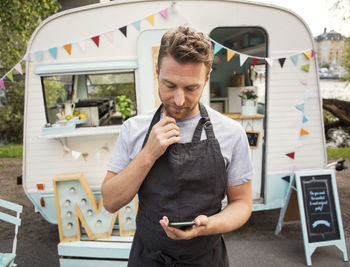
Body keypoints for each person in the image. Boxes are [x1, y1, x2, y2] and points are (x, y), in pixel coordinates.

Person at [101, 26, 253, 266]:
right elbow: (110, 202)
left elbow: (242, 204)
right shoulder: (134, 129)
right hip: (148, 258)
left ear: (206, 77)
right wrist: (148, 154)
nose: (179, 100)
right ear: (156, 71)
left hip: (206, 259)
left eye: (191, 88)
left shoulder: (232, 133)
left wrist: (207, 226)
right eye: (169, 85)